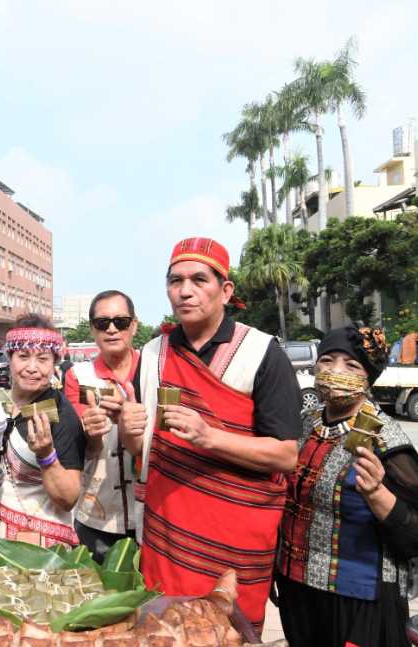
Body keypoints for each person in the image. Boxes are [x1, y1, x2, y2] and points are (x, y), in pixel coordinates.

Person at [122, 236, 301, 634]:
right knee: (161, 631)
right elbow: (144, 450)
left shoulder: (261, 353)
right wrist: (129, 431)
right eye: (175, 280)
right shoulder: (152, 354)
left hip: (235, 540)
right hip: (168, 533)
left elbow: (286, 455)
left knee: (226, 634)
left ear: (226, 290)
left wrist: (210, 437)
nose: (184, 291)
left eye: (199, 279)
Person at [276, 325, 418, 647]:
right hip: (297, 588)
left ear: (368, 378)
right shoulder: (305, 422)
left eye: (351, 366)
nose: (335, 372)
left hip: (358, 597)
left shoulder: (386, 440)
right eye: (327, 360)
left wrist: (377, 494)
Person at [0, 314, 86, 546]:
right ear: (9, 358)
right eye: (23, 356)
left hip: (43, 547)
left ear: (54, 362)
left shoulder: (61, 413)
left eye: (42, 359)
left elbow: (68, 498)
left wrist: (46, 454)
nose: (32, 368)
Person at [62, 290, 141, 561]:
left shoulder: (154, 369)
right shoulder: (78, 376)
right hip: (98, 515)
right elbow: (82, 445)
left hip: (151, 514)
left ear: (134, 326)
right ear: (93, 329)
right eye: (101, 323)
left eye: (120, 322)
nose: (111, 329)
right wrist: (90, 431)